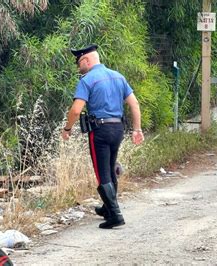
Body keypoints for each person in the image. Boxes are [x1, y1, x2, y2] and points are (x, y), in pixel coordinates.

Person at [61, 44, 144, 229]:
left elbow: (76, 110)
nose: (78, 67)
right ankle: (108, 208)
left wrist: (67, 129)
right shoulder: (118, 76)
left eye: (79, 62)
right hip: (118, 129)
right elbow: (134, 104)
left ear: (87, 60)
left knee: (102, 172)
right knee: (110, 166)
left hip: (100, 131)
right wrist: (137, 129)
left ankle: (115, 216)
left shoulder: (88, 80)